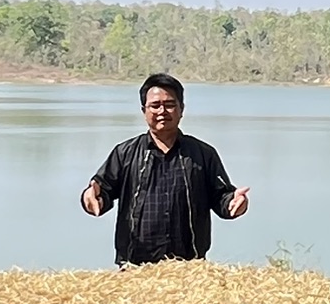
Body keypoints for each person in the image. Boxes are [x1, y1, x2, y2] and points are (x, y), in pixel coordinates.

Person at [80, 73, 251, 266]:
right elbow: (101, 192)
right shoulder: (125, 153)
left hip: (190, 266)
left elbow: (222, 197)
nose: (162, 111)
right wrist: (91, 198)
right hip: (134, 266)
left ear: (181, 109)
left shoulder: (203, 154)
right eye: (155, 105)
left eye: (169, 104)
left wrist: (235, 204)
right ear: (144, 110)